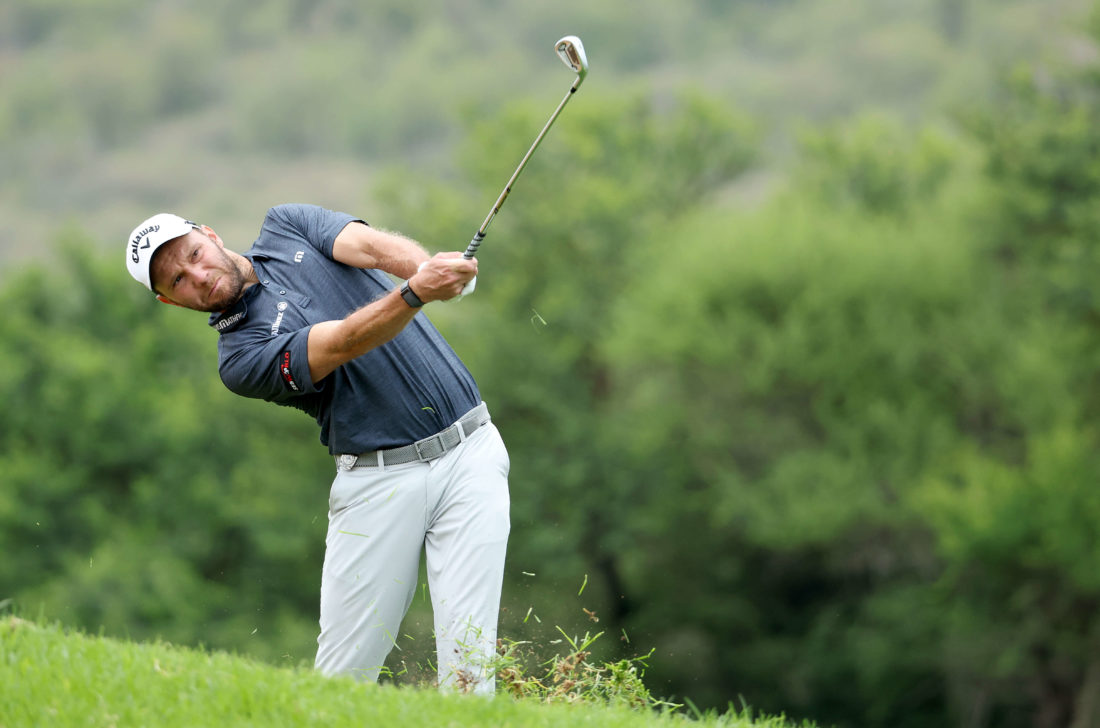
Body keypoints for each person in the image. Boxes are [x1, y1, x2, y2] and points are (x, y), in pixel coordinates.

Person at [124, 203, 510, 694]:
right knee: (344, 676)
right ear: (168, 301)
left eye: (194, 254)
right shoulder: (240, 359)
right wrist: (417, 292)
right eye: (177, 280)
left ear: (211, 235)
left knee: (470, 663)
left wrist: (428, 269)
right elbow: (343, 342)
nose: (197, 275)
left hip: (471, 451)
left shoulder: (287, 225)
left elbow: (373, 249)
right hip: (380, 484)